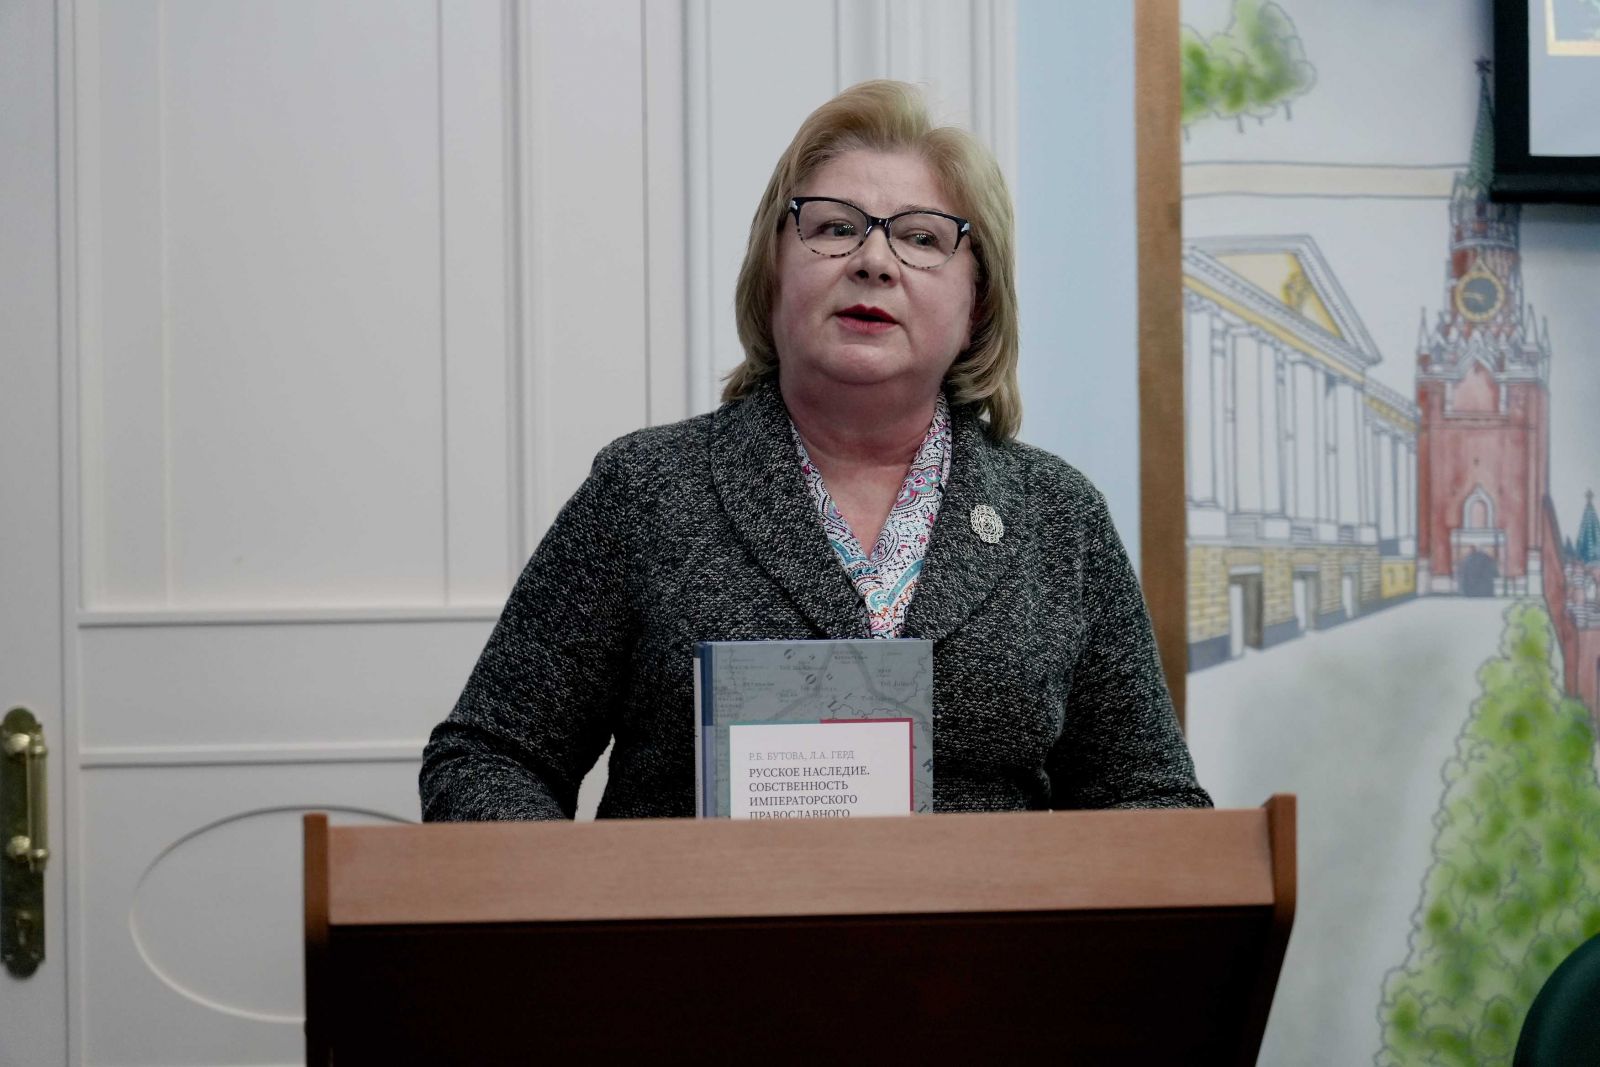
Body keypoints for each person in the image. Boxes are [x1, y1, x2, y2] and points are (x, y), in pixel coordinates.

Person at [419, 80, 1210, 821]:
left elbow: (1154, 798)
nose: (874, 260)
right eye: (835, 227)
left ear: (978, 304)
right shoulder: (646, 490)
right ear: (772, 273)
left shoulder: (1059, 516)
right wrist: (603, 905)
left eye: (921, 237)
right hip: (701, 928)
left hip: (983, 930)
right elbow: (487, 757)